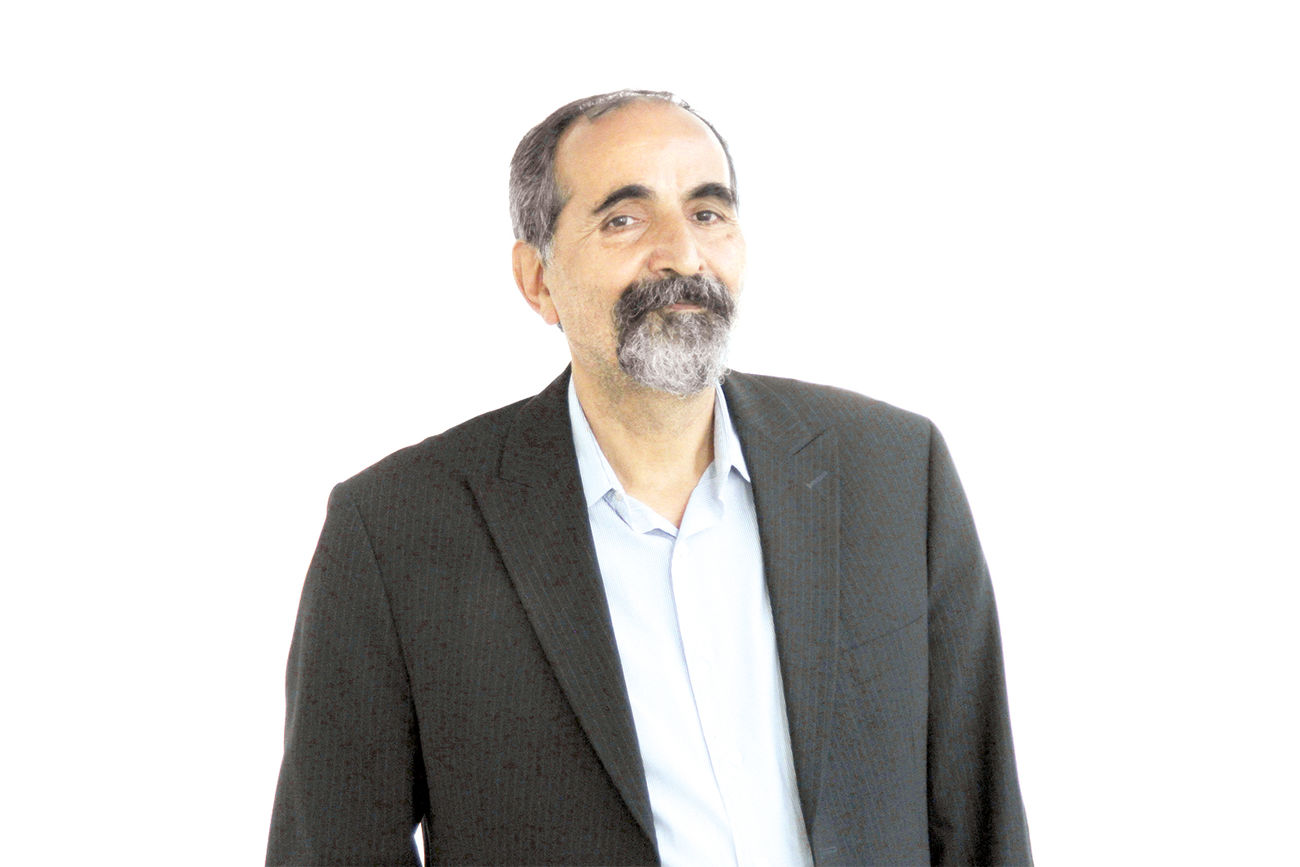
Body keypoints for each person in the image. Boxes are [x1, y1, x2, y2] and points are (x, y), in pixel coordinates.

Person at [266, 89, 1032, 866]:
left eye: (708, 212)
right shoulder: (398, 532)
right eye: (624, 219)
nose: (683, 255)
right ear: (537, 280)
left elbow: (980, 819)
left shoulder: (893, 473)